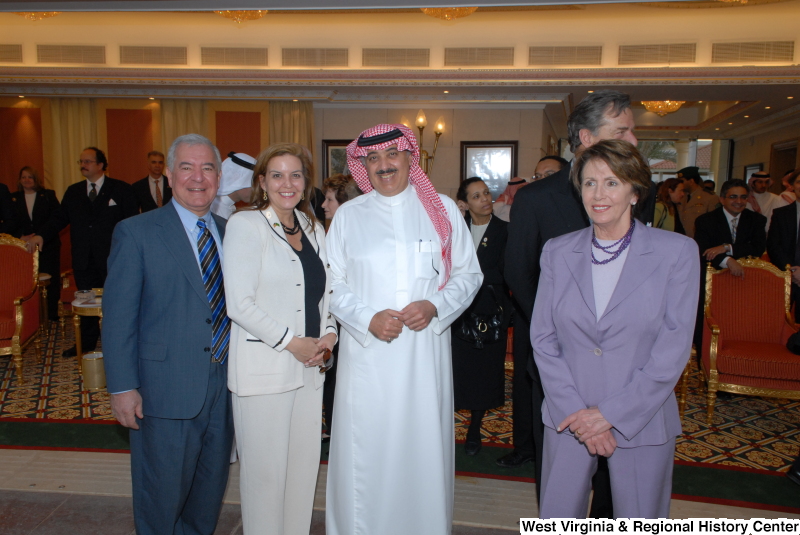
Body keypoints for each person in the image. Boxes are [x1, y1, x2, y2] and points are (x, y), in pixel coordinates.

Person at [325, 124, 482, 535]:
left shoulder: (443, 210)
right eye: (372, 159)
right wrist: (366, 318)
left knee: (420, 452)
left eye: (391, 155)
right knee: (368, 453)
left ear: (412, 157)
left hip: (423, 358)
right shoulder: (348, 216)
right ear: (363, 166)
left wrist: (434, 305)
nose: (383, 165)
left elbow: (468, 274)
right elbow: (332, 285)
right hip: (367, 362)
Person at [532, 139, 700, 519]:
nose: (598, 194)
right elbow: (543, 338)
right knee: (558, 518)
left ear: (635, 190)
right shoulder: (558, 251)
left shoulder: (677, 252)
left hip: (642, 415)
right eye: (589, 183)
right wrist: (579, 413)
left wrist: (609, 414)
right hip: (567, 416)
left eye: (611, 182)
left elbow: (672, 349)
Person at [504, 89, 640, 515]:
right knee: (562, 481)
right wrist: (558, 329)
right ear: (586, 137)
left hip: (624, 366)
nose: (633, 140)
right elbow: (519, 275)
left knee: (619, 483)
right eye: (622, 131)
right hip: (557, 364)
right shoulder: (535, 198)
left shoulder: (637, 190)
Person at [103, 134, 234, 535]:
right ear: (170, 175)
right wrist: (122, 387)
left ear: (218, 177)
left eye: (208, 167)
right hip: (163, 389)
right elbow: (118, 317)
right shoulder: (136, 232)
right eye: (187, 167)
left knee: (208, 490)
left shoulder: (235, 232)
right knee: (161, 494)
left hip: (226, 387)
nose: (198, 177)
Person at [223, 143, 336, 534]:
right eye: (277, 175)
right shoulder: (245, 225)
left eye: (295, 175)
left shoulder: (313, 227)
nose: (287, 183)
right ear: (262, 182)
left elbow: (329, 294)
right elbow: (239, 304)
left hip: (310, 369)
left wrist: (329, 335)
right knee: (265, 480)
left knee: (302, 475)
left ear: (305, 183)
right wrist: (294, 342)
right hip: (264, 371)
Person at [28, 147, 138, 357]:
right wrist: (41, 235)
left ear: (100, 164)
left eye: (87, 161)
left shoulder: (121, 189)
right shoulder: (74, 191)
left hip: (114, 259)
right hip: (83, 258)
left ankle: (119, 344)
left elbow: (132, 223)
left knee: (116, 302)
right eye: (81, 162)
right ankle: (86, 343)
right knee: (85, 301)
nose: (83, 165)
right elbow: (59, 219)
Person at [453, 177, 510, 456]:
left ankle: (475, 427)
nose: (485, 199)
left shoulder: (506, 231)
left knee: (484, 374)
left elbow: (508, 274)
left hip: (489, 313)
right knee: (456, 371)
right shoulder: (454, 231)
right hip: (456, 315)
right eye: (476, 196)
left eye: (486, 193)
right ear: (463, 204)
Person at [319, 172, 362, 440]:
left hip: (347, 319)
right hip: (325, 319)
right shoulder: (322, 231)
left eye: (330, 199)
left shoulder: (350, 236)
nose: (324, 205)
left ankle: (340, 435)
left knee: (339, 384)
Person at [10, 166, 61, 320]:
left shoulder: (48, 195)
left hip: (48, 245)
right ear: (19, 180)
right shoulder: (12, 198)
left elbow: (56, 218)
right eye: (23, 177)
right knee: (26, 282)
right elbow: (8, 222)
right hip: (22, 248)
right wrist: (20, 236)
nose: (26, 180)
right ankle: (31, 316)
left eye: (30, 177)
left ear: (36, 179)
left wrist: (41, 235)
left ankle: (51, 314)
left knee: (50, 280)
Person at [695, 179, 766, 277]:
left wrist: (727, 248)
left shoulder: (757, 220)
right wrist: (728, 261)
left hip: (746, 275)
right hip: (714, 276)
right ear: (722, 199)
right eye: (733, 197)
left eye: (743, 197)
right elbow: (703, 250)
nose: (739, 201)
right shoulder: (705, 220)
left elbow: (757, 248)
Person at [766, 192, 800, 320]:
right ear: (792, 186)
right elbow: (773, 245)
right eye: (799, 182)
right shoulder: (781, 213)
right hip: (784, 276)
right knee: (778, 321)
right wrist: (790, 270)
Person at [211, 152, 256, 220]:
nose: (257, 190)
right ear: (238, 180)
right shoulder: (214, 208)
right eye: (253, 184)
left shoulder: (227, 206)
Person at [678, 166, 718, 238]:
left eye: (682, 181)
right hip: (681, 239)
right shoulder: (681, 196)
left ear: (691, 181)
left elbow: (714, 223)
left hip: (699, 240)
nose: (680, 184)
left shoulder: (710, 198)